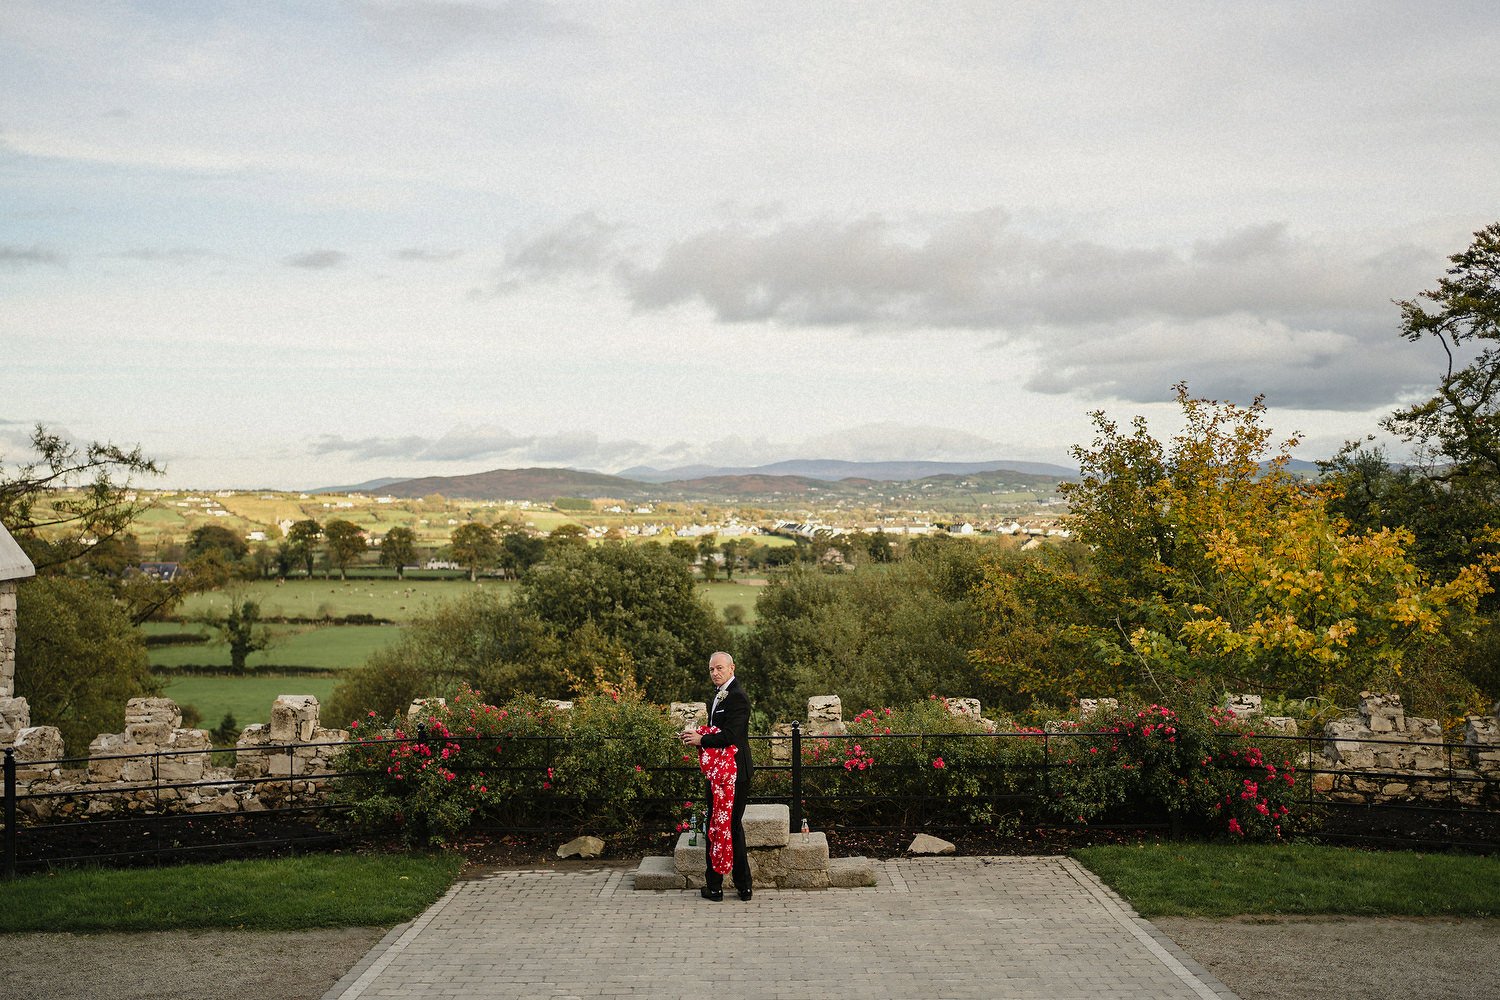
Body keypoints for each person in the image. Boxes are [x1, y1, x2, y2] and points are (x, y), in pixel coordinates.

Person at [679, 650, 753, 901]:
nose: (715, 673)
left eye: (719, 668)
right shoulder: (720, 696)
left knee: (729, 826)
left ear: (732, 668)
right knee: (718, 824)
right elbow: (718, 730)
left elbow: (731, 736)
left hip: (735, 773)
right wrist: (696, 736)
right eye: (711, 669)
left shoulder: (738, 697)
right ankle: (730, 887)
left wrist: (702, 739)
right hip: (718, 772)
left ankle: (730, 886)